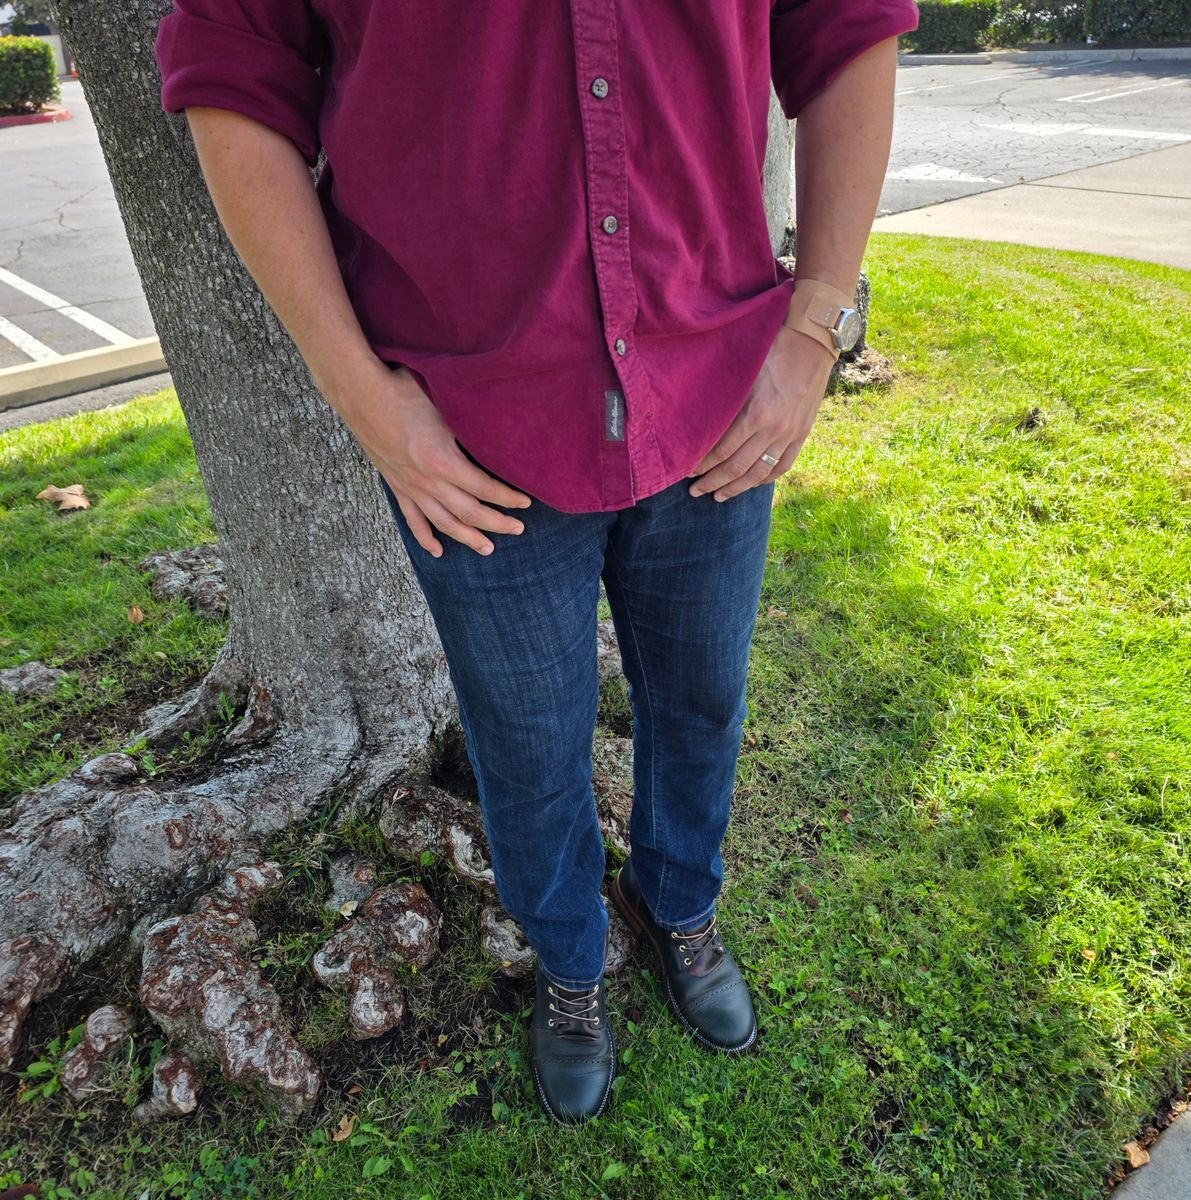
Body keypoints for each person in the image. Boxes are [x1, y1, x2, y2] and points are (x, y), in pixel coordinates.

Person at [154, 0, 919, 1125]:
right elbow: (233, 71)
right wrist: (362, 397)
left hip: (712, 389)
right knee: (527, 744)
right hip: (472, 434)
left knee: (702, 698)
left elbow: (849, 30)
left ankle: (679, 906)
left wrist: (815, 332)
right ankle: (570, 965)